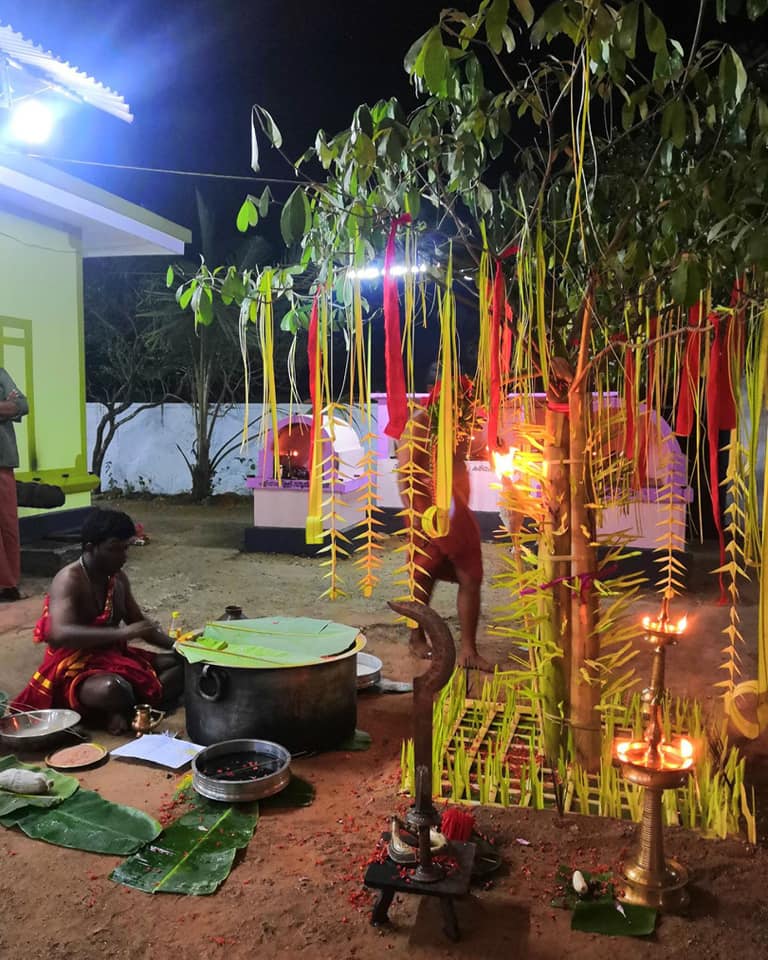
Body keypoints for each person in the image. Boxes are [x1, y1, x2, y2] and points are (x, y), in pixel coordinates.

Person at [11, 508, 184, 733]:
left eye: (126, 548)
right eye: (115, 549)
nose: (123, 557)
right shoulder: (69, 579)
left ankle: (125, 711)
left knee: (183, 665)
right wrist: (122, 634)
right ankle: (130, 707)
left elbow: (140, 624)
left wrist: (181, 647)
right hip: (74, 667)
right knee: (112, 688)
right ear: (90, 548)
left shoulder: (118, 578)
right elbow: (60, 633)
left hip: (114, 657)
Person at [396, 368, 491, 671]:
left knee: (471, 576)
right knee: (422, 577)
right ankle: (416, 637)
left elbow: (460, 463)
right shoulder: (420, 424)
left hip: (456, 511)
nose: (465, 408)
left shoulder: (456, 426)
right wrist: (421, 517)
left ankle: (468, 650)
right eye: (461, 402)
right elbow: (407, 475)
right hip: (428, 513)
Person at [0, 367, 29, 602]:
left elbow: (20, 405)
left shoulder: (1, 375)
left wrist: (9, 407)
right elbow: (8, 407)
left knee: (7, 524)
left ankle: (8, 584)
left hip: (2, 460)